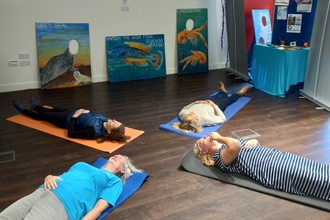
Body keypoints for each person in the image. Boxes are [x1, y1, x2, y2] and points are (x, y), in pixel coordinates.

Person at [194, 132, 330, 201]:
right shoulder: (219, 157)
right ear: (205, 151)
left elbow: (242, 145)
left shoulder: (226, 144)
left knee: (316, 167)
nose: (206, 137)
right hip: (273, 168)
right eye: (203, 140)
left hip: (277, 156)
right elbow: (236, 145)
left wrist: (254, 140)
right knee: (314, 178)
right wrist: (220, 137)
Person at [0, 155, 142, 220]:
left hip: (64, 204)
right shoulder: (82, 165)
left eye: (121, 159)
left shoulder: (114, 182)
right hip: (42, 190)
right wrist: (49, 176)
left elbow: (99, 209)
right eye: (116, 155)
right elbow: (64, 176)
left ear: (123, 170)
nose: (117, 156)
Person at [12, 96, 129, 143]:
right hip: (75, 112)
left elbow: (71, 134)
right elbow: (95, 116)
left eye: (114, 123)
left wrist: (75, 116)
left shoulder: (93, 132)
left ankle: (23, 110)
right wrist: (87, 112)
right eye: (115, 120)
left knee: (43, 115)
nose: (113, 120)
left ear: (109, 131)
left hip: (66, 120)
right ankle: (35, 106)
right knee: (52, 109)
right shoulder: (106, 121)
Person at [173, 81, 249, 132]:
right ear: (196, 120)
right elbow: (222, 119)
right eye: (192, 115)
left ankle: (223, 91)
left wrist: (195, 103)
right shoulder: (206, 120)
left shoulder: (182, 115)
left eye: (188, 115)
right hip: (215, 106)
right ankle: (239, 93)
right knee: (228, 100)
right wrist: (214, 105)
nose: (191, 113)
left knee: (218, 95)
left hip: (204, 102)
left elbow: (185, 108)